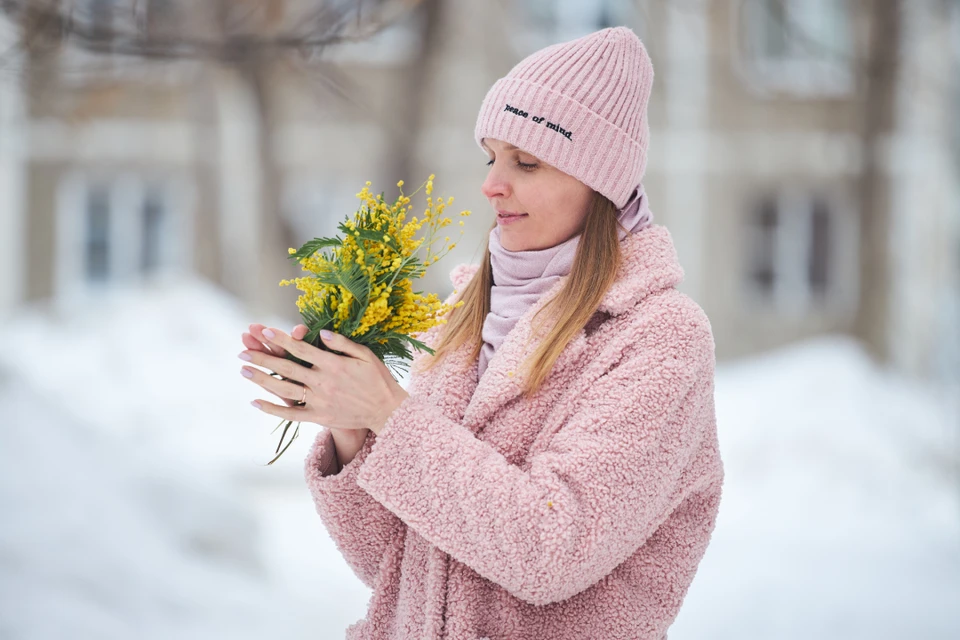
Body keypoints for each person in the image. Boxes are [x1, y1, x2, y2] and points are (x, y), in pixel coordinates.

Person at [239, 26, 723, 640]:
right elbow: (396, 567)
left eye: (527, 162)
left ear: (598, 181)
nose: (492, 184)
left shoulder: (658, 337)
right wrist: (350, 424)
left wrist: (390, 412)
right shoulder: (468, 317)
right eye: (491, 157)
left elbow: (552, 548)